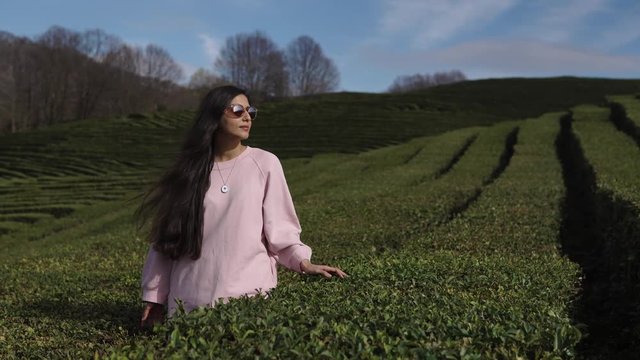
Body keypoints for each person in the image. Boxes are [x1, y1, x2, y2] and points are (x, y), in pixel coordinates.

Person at [138, 85, 346, 328]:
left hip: (249, 303)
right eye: (237, 110)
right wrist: (154, 298)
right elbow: (167, 241)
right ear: (214, 115)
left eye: (251, 111)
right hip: (188, 307)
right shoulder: (189, 172)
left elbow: (281, 231)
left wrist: (304, 262)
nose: (247, 116)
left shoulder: (265, 163)